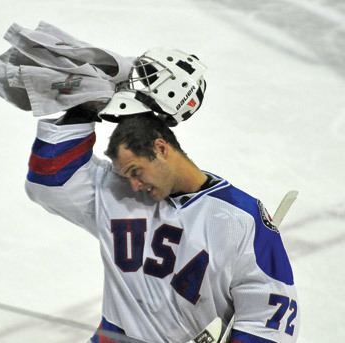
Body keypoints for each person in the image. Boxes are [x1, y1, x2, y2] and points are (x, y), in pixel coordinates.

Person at [24, 48, 299, 343]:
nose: (133, 185)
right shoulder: (116, 192)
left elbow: (269, 318)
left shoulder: (240, 219)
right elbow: (49, 179)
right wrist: (86, 107)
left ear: (160, 149)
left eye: (136, 171)